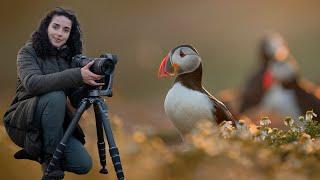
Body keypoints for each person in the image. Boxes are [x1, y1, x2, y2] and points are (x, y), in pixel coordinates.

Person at [3, 7, 104, 179]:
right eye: (55, 27)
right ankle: (50, 161)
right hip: (24, 123)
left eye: (66, 30)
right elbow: (33, 84)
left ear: (70, 35)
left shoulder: (70, 59)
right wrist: (78, 75)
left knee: (83, 164)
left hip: (54, 125)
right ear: (46, 28)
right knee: (56, 95)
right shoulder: (28, 52)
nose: (59, 33)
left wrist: (90, 86)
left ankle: (38, 150)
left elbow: (73, 103)